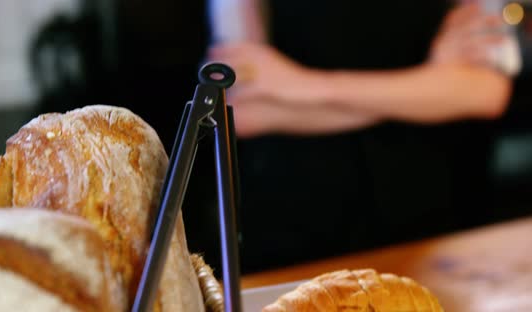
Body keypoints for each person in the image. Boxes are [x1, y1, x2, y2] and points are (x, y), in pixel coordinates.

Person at [205, 0, 515, 273]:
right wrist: (430, 82)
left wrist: (299, 84)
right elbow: (242, 108)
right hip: (295, 225)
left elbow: (486, 91)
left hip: (429, 223)